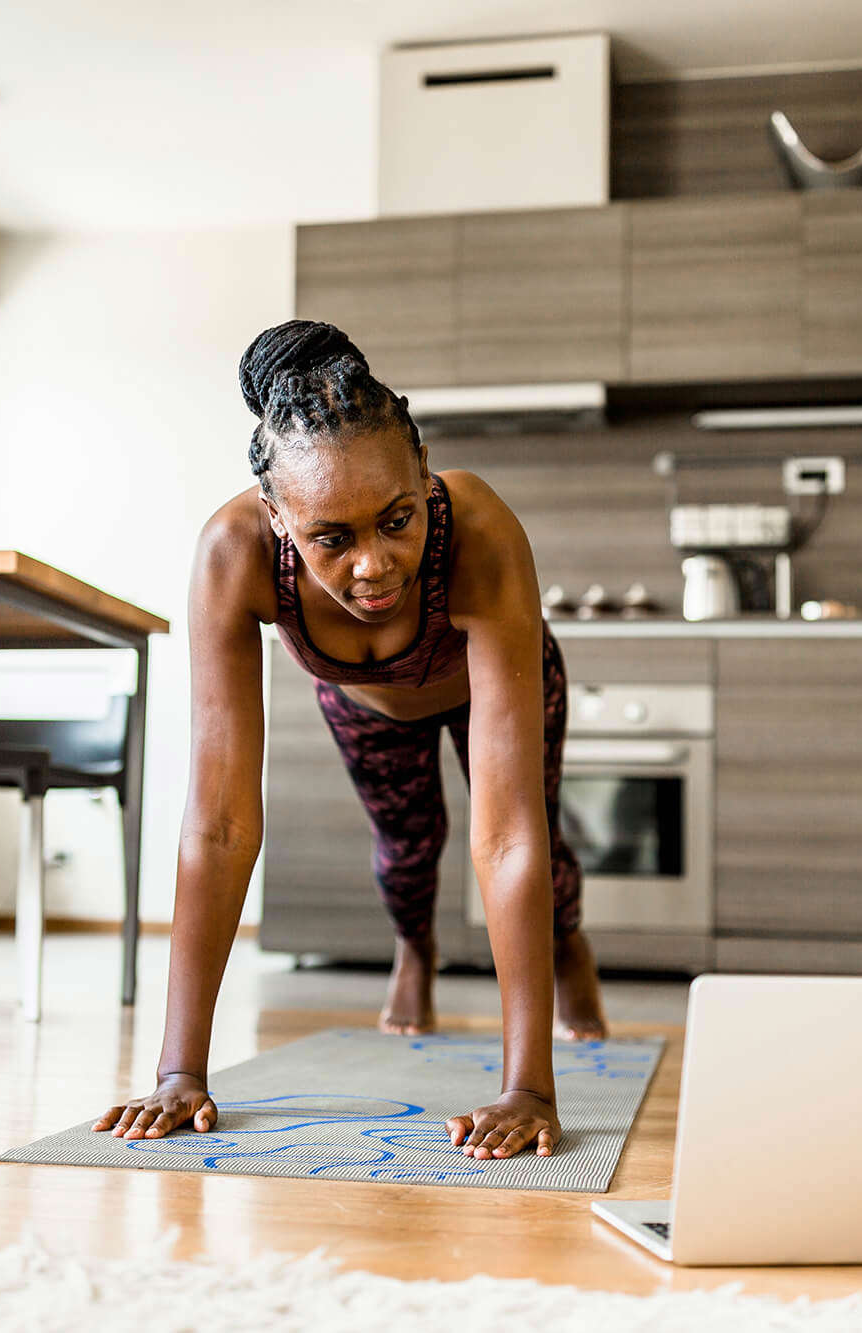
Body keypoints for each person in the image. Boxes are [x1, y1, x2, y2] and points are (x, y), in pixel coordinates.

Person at [92, 320, 606, 1161]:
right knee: (407, 850)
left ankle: (569, 945)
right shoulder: (234, 554)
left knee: (534, 840)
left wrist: (528, 1087)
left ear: (424, 471)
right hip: (367, 701)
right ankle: (416, 949)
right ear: (278, 514)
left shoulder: (477, 528)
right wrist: (179, 1072)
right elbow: (218, 823)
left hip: (489, 680)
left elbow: (508, 831)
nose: (374, 564)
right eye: (333, 538)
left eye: (397, 519)